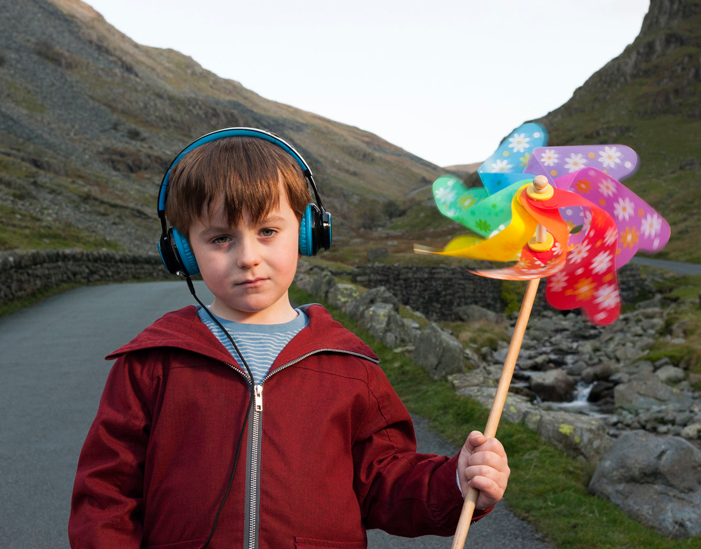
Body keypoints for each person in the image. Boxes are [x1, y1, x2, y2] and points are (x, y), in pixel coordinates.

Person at [68, 128, 510, 549]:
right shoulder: (152, 363)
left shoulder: (350, 366)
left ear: (306, 232)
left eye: (267, 231)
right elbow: (106, 495)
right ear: (183, 251)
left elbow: (385, 481)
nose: (247, 257)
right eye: (221, 238)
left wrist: (456, 482)